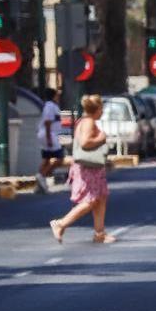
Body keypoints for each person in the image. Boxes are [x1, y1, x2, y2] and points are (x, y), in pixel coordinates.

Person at [50, 95, 115, 243]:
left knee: (100, 198)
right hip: (88, 168)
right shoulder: (89, 122)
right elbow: (85, 143)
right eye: (101, 109)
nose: (102, 111)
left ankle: (100, 233)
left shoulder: (85, 121)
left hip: (93, 167)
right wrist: (101, 138)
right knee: (91, 200)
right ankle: (60, 223)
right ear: (97, 109)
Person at [36, 88, 64, 193]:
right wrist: (49, 138)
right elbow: (47, 122)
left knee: (47, 159)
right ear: (53, 96)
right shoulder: (50, 106)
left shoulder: (51, 106)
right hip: (49, 134)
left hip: (50, 134)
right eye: (57, 95)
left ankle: (39, 185)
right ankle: (42, 175)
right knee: (60, 158)